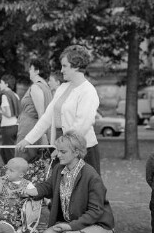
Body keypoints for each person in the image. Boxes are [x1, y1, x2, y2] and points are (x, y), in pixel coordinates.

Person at [32, 131, 114, 233]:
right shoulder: (59, 169)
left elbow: (95, 212)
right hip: (73, 223)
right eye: (58, 151)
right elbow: (48, 186)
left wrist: (69, 227)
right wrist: (32, 191)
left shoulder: (91, 175)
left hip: (99, 226)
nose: (58, 155)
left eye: (63, 151)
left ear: (76, 152)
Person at [16, 45, 101, 175]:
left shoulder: (88, 91)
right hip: (62, 149)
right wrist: (28, 140)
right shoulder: (62, 88)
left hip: (82, 151)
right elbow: (47, 117)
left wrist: (62, 149)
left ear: (76, 66)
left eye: (65, 66)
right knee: (60, 191)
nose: (61, 70)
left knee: (83, 192)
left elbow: (80, 127)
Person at [15, 59, 52, 163]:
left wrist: (43, 135)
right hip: (33, 129)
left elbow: (42, 114)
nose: (29, 72)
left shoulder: (36, 87)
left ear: (37, 71)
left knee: (21, 163)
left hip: (29, 130)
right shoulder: (46, 88)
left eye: (31, 69)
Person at [0, 74, 20, 164]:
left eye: (1, 83)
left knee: (8, 153)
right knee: (3, 151)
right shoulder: (15, 95)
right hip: (16, 125)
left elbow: (8, 114)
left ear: (6, 84)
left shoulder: (5, 95)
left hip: (8, 127)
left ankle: (13, 170)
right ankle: (9, 169)